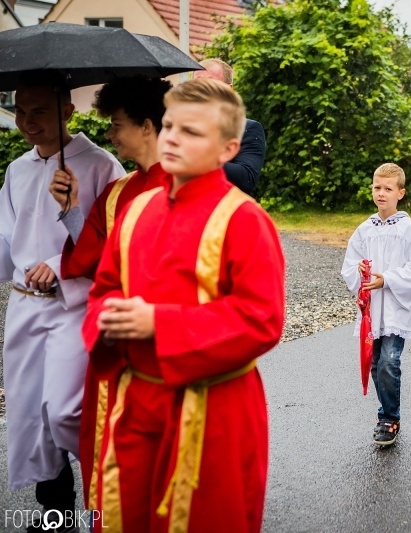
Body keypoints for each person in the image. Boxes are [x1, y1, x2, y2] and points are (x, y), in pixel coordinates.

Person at [82, 78, 285, 532]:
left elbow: (262, 320)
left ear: (228, 148)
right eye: (170, 126)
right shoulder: (135, 210)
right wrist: (109, 318)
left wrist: (158, 322)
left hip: (214, 409)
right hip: (136, 402)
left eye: (191, 132)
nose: (172, 138)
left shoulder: (246, 220)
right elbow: (103, 289)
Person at [0, 72, 123, 532]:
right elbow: (7, 242)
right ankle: (55, 516)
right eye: (19, 112)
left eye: (38, 112)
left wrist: (58, 258)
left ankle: (105, 501)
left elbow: (113, 236)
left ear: (67, 111)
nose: (27, 123)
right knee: (33, 415)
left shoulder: (100, 165)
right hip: (25, 307)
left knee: (67, 409)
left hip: (74, 305)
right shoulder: (17, 170)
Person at [48, 76, 171, 515]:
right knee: (112, 457)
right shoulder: (118, 191)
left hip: (165, 348)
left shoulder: (186, 187)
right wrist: (72, 210)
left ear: (147, 125)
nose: (111, 134)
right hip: (115, 345)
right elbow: (96, 260)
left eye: (117, 124)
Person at [341, 163, 411, 446]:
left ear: (400, 193)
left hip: (397, 308)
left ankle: (389, 416)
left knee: (389, 360)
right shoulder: (365, 229)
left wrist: (386, 279)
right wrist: (361, 282)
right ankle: (387, 412)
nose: (381, 193)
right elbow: (350, 265)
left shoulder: (409, 229)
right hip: (373, 310)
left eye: (388, 189)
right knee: (375, 363)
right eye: (377, 187)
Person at [194, 58, 266, 196]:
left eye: (210, 84)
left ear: (229, 89)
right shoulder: (179, 126)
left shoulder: (247, 128)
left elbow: (247, 178)